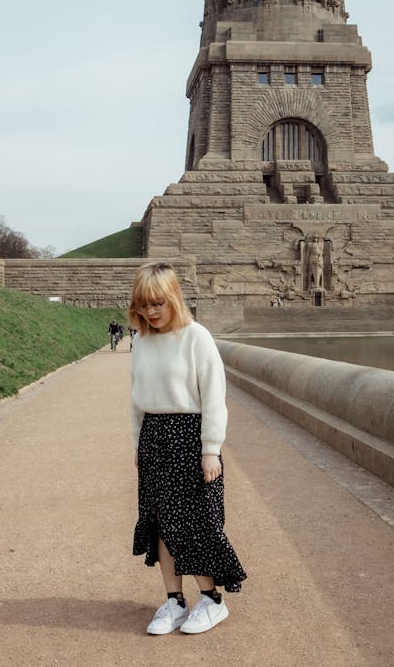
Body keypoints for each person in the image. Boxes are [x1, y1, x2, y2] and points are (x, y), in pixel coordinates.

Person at [129, 262, 246, 636]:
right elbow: (137, 400)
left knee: (195, 521)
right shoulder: (141, 340)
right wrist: (138, 444)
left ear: (174, 299)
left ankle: (212, 600)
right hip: (154, 435)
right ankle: (174, 601)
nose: (151, 311)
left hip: (189, 436)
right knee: (160, 521)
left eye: (158, 303)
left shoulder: (197, 337)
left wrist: (210, 448)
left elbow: (214, 396)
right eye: (145, 304)